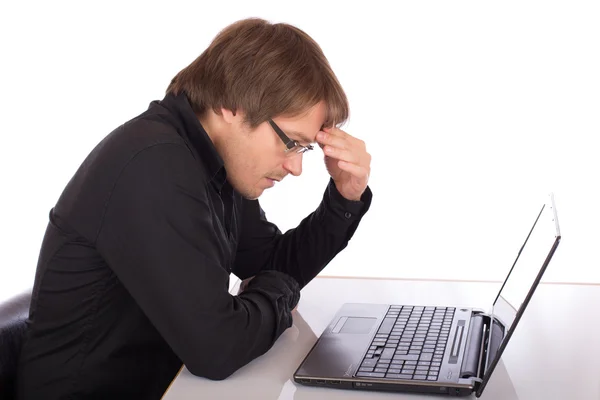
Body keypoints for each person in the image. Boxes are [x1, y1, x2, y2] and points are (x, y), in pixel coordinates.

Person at [16, 17, 372, 399]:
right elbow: (218, 348)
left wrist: (344, 198)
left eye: (304, 149)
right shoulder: (153, 165)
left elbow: (270, 263)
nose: (296, 167)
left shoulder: (214, 161)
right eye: (291, 143)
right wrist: (279, 289)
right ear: (232, 105)